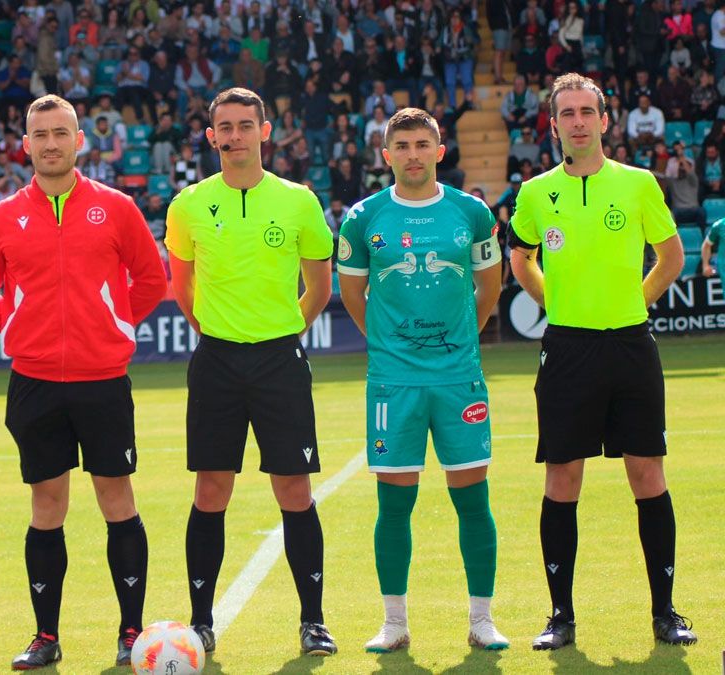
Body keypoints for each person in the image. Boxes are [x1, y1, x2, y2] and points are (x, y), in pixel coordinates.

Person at [0, 94, 167, 670]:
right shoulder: (2, 217)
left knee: (116, 501)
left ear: (80, 140)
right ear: (24, 144)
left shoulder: (116, 207)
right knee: (46, 505)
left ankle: (131, 633)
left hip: (104, 380)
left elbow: (151, 278)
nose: (50, 143)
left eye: (60, 133)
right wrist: (19, 325)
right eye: (39, 135)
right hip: (35, 384)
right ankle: (45, 638)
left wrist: (114, 320)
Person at [507, 73, 697, 650]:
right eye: (567, 113)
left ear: (605, 120)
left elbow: (671, 258)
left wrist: (631, 303)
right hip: (566, 349)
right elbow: (521, 257)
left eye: (588, 111)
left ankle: (665, 612)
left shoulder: (638, 185)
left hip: (630, 346)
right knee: (563, 478)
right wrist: (551, 301)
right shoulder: (536, 193)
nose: (579, 122)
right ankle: (560, 617)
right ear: (555, 123)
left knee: (647, 475)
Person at [164, 88, 337, 657]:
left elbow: (318, 286)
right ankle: (200, 620)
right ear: (210, 136)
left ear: (266, 131)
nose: (234, 135)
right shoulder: (188, 203)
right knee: (211, 489)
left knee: (293, 488)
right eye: (224, 127)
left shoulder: (298, 201)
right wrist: (215, 331)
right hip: (215, 361)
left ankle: (313, 621)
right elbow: (183, 287)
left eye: (245, 125)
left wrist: (286, 332)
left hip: (278, 362)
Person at [336, 108, 508, 653]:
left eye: (422, 144)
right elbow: (352, 296)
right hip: (394, 384)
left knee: (472, 500)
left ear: (440, 151)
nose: (412, 154)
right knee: (394, 505)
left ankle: (482, 620)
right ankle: (394, 624)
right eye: (402, 145)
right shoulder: (363, 219)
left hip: (459, 378)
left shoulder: (472, 213)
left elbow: (489, 287)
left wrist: (459, 343)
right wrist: (392, 347)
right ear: (386, 156)